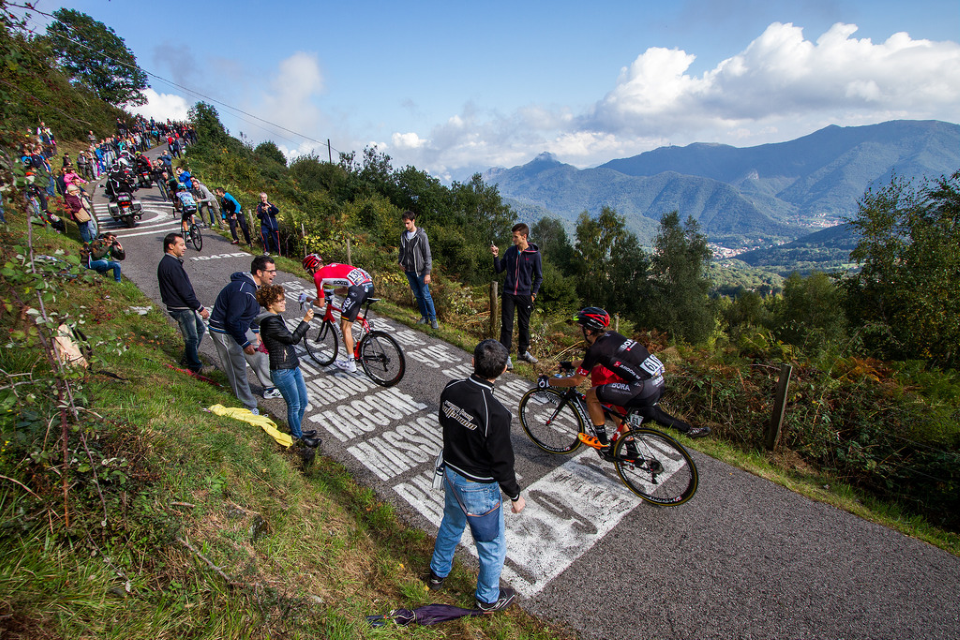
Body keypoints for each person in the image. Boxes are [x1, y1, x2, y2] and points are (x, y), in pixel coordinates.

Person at [428, 339, 524, 613]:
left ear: (472, 361)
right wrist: (514, 495)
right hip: (478, 488)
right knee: (491, 545)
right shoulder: (497, 413)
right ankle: (486, 598)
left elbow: (443, 421)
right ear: (504, 370)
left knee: (451, 524)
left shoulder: (452, 388)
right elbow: (502, 463)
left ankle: (438, 573)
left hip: (451, 473)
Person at [538, 307, 711, 446]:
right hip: (657, 382)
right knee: (614, 406)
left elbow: (575, 381)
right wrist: (570, 364)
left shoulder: (595, 349)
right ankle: (630, 446)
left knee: (592, 395)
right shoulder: (613, 336)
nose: (580, 331)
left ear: (589, 329)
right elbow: (598, 361)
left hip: (642, 387)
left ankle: (601, 440)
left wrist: (548, 381)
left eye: (581, 327)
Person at [208, 256, 279, 413]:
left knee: (260, 353)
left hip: (240, 326)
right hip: (224, 330)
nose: (274, 274)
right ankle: (248, 405)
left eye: (275, 271)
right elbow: (231, 321)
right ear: (259, 272)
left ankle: (270, 388)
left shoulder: (256, 287)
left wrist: (254, 332)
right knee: (237, 368)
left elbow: (250, 313)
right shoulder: (243, 290)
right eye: (271, 271)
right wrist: (245, 343)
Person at [254, 284, 321, 446]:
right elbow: (292, 339)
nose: (284, 302)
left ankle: (297, 430)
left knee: (303, 401)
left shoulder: (275, 317)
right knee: (294, 404)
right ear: (270, 304)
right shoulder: (270, 322)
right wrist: (305, 321)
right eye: (280, 301)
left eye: (284, 299)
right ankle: (297, 437)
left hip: (292, 366)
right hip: (282, 371)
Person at [301, 253, 373, 373]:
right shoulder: (332, 266)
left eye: (308, 271)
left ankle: (350, 364)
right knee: (345, 308)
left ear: (313, 268)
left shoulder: (318, 276)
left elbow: (320, 304)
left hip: (358, 289)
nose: (309, 274)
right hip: (368, 285)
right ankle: (365, 325)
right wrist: (332, 292)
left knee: (345, 328)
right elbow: (345, 287)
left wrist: (306, 298)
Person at [491, 223, 543, 370]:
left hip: (525, 295)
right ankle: (505, 355)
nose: (513, 239)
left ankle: (523, 352)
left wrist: (533, 294)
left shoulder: (534, 255)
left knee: (524, 325)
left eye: (515, 237)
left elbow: (539, 277)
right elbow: (499, 269)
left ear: (524, 237)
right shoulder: (510, 252)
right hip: (508, 293)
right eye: (513, 236)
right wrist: (496, 256)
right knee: (507, 325)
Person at [158, 233, 210, 374]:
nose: (185, 247)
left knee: (199, 330)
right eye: (181, 244)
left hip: (180, 305)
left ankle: (188, 358)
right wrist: (199, 308)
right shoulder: (171, 265)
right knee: (191, 337)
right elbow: (184, 290)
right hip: (180, 307)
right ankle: (194, 366)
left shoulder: (170, 262)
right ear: (170, 246)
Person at [398, 210, 438, 329]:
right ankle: (424, 317)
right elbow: (401, 251)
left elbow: (427, 255)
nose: (406, 225)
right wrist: (400, 262)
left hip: (420, 271)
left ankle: (433, 319)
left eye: (408, 223)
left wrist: (427, 273)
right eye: (404, 223)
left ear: (413, 221)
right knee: (418, 295)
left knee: (426, 295)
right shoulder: (403, 236)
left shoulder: (421, 236)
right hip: (409, 271)